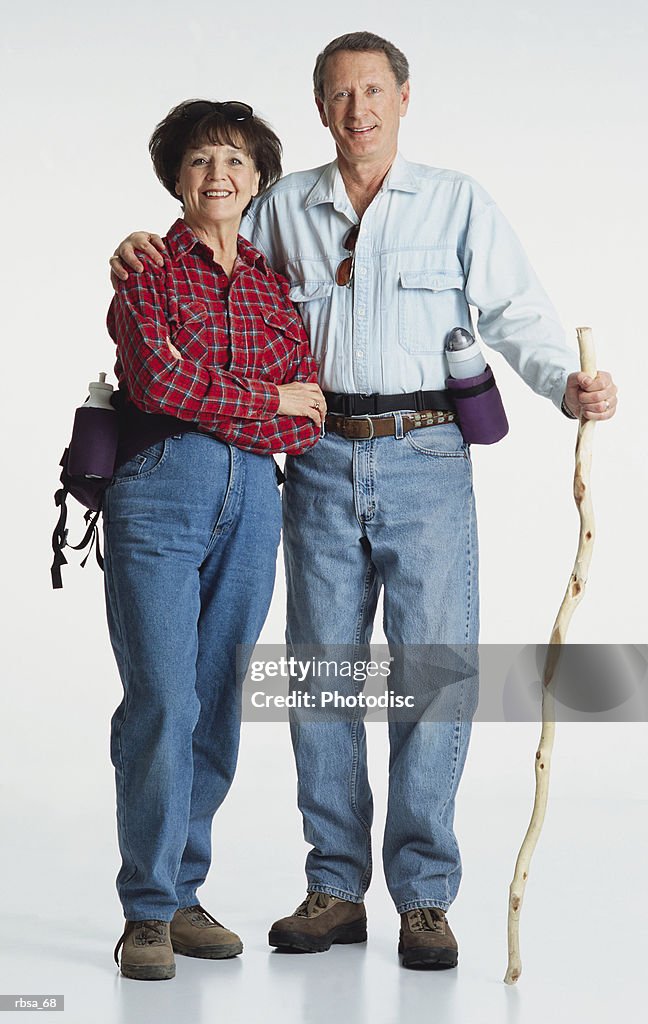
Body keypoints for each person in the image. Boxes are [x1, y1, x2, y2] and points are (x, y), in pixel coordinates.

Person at [110, 33, 618, 970]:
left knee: (432, 673)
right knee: (322, 676)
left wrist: (564, 385)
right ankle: (335, 888)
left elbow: (518, 314)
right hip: (313, 455)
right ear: (319, 108)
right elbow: (203, 253)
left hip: (427, 452)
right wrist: (136, 242)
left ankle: (424, 897)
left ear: (404, 97)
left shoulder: (458, 200)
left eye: (373, 91)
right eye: (339, 96)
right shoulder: (278, 207)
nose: (358, 111)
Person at [105, 98, 326, 982]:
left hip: (255, 504)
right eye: (200, 161)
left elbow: (310, 414)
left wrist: (264, 403)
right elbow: (157, 382)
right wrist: (263, 401)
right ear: (177, 179)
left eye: (235, 160)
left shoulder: (276, 286)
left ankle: (186, 892)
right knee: (162, 698)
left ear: (260, 179)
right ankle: (146, 912)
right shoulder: (147, 268)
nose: (219, 175)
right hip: (161, 491)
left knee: (217, 703)